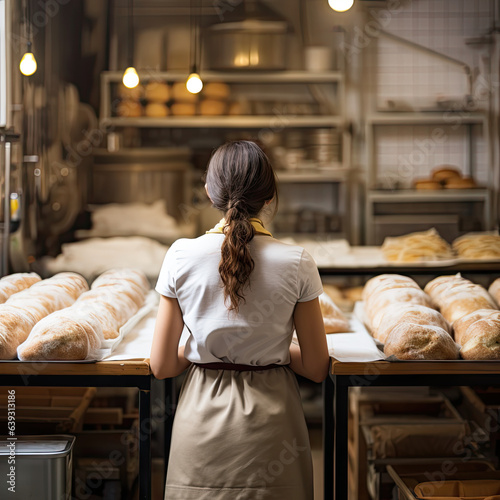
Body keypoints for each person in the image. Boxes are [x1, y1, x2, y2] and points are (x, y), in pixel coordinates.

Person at [150, 140, 330, 500]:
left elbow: (162, 365)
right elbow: (316, 366)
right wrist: (274, 349)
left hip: (199, 430)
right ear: (269, 196)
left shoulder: (180, 255)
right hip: (273, 432)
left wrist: (205, 344)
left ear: (208, 192)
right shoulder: (297, 261)